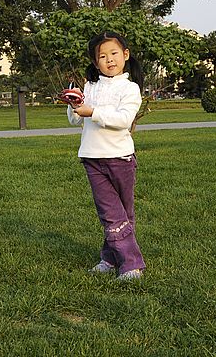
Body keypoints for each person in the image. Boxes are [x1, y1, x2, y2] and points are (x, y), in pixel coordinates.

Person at [67, 31, 146, 281]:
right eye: (102, 56)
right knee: (111, 213)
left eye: (113, 53)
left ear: (125, 55)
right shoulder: (90, 87)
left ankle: (112, 259)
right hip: (92, 159)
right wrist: (74, 105)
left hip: (121, 159)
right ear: (95, 61)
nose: (109, 59)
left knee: (123, 213)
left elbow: (124, 121)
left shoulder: (130, 88)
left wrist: (93, 111)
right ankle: (129, 263)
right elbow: (75, 119)